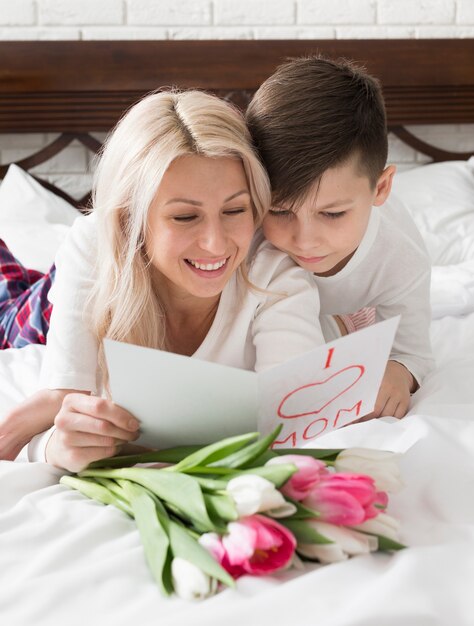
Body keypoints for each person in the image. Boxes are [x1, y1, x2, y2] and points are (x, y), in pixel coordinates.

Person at [0, 89, 325, 469]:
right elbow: (62, 401)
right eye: (185, 217)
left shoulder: (274, 269)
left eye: (234, 209)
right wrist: (37, 438)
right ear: (131, 220)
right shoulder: (95, 241)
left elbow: (293, 418)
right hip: (33, 315)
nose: (215, 243)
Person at [246, 56, 434, 420]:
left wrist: (398, 373)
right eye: (281, 211)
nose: (304, 241)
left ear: (381, 188)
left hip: (352, 303)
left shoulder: (401, 258)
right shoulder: (244, 226)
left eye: (332, 214)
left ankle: (352, 320)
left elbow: (415, 353)